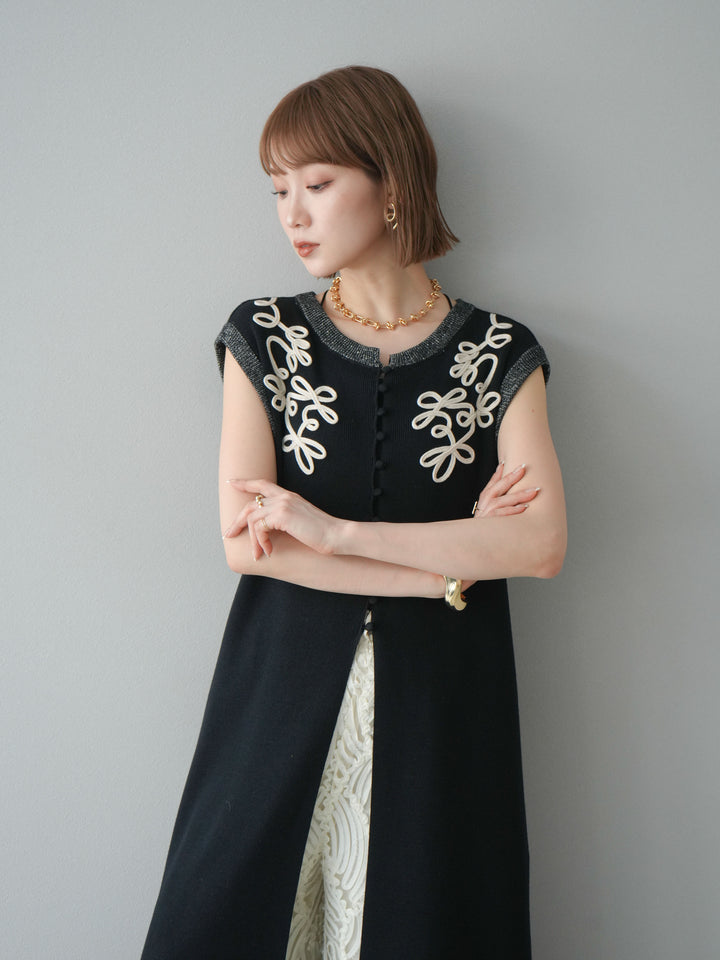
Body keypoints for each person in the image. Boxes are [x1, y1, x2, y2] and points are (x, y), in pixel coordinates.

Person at [141, 66, 566, 960]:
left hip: (444, 707)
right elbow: (249, 547)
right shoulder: (264, 337)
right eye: (279, 190)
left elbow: (538, 544)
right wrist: (450, 568)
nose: (292, 214)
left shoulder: (501, 352)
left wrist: (335, 533)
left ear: (392, 182)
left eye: (319, 183)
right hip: (278, 698)